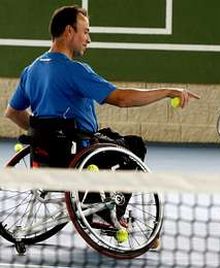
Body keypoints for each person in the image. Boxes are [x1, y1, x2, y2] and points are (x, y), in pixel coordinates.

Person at [4, 5, 199, 249]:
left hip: (45, 159)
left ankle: (94, 205)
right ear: (68, 31)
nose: (89, 39)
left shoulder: (30, 70)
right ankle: (105, 213)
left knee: (108, 137)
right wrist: (168, 92)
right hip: (79, 156)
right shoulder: (75, 71)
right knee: (134, 146)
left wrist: (41, 137)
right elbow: (122, 99)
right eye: (85, 32)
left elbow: (12, 112)